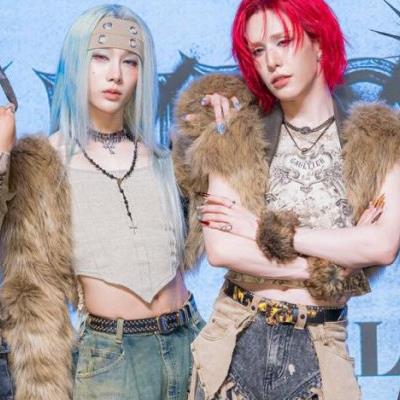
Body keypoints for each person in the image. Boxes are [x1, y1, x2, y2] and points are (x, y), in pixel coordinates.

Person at [172, 0, 400, 399]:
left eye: (284, 41)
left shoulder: (380, 140)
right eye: (258, 50)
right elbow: (223, 249)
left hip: (321, 346)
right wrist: (334, 268)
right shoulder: (235, 130)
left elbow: (381, 246)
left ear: (319, 44)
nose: (272, 61)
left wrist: (266, 232)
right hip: (236, 338)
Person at [0, 4, 203, 400]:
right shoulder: (44, 162)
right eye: (100, 57)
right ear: (76, 64)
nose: (115, 74)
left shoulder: (165, 160)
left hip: (191, 342)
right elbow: (25, 283)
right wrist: (2, 154)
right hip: (112, 359)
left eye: (130, 61)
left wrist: (218, 142)